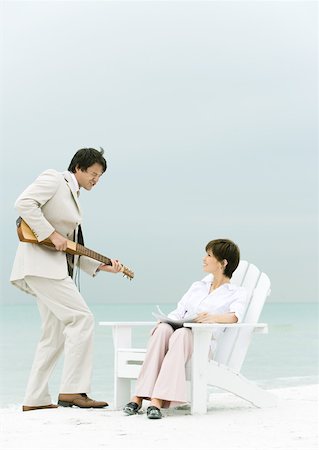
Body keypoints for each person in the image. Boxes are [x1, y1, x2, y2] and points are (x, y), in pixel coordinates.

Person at [10, 147, 123, 411]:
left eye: (100, 176)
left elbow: (70, 245)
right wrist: (51, 234)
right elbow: (24, 204)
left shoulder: (73, 196)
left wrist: (103, 267)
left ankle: (35, 399)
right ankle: (73, 391)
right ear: (78, 168)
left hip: (50, 268)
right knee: (81, 318)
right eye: (93, 173)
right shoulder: (54, 179)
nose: (96, 179)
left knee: (54, 335)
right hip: (42, 267)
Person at [123, 238, 247, 419]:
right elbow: (179, 312)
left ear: (223, 263)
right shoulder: (198, 286)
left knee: (181, 334)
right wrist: (166, 321)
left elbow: (235, 316)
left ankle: (157, 400)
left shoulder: (236, 292)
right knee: (163, 330)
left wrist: (213, 318)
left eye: (209, 255)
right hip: (179, 334)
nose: (204, 259)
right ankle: (139, 396)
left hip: (202, 343)